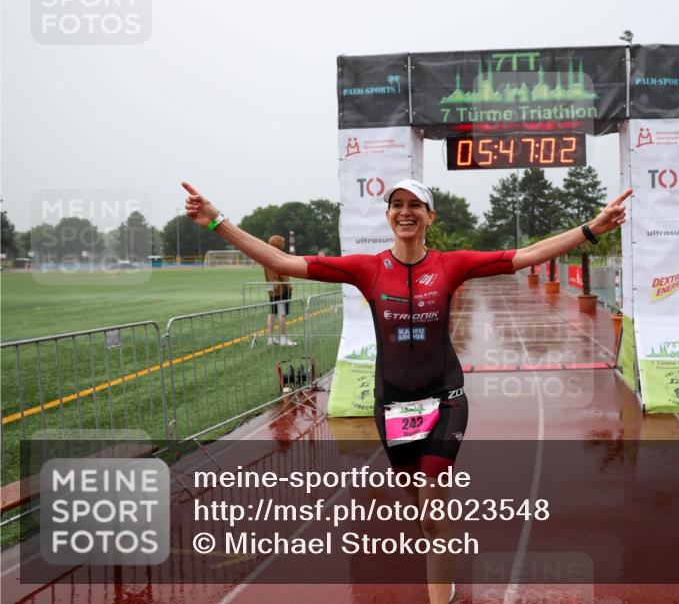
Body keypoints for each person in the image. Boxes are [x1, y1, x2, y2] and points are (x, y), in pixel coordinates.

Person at [182, 178, 631, 603]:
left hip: (446, 399)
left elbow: (527, 255)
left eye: (414, 204)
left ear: (430, 216)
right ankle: (444, 554)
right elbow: (282, 263)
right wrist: (217, 220)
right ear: (388, 215)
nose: (405, 211)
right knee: (425, 513)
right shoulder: (367, 268)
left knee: (434, 501)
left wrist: (591, 229)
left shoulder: (451, 264)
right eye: (397, 204)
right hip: (392, 405)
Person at [263, 235, 296, 346]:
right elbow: (282, 273)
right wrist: (288, 285)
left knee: (272, 313)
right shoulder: (276, 255)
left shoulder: (266, 256)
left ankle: (270, 338)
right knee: (282, 314)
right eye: (282, 242)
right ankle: (283, 338)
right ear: (278, 244)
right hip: (281, 289)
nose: (284, 244)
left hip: (271, 288)